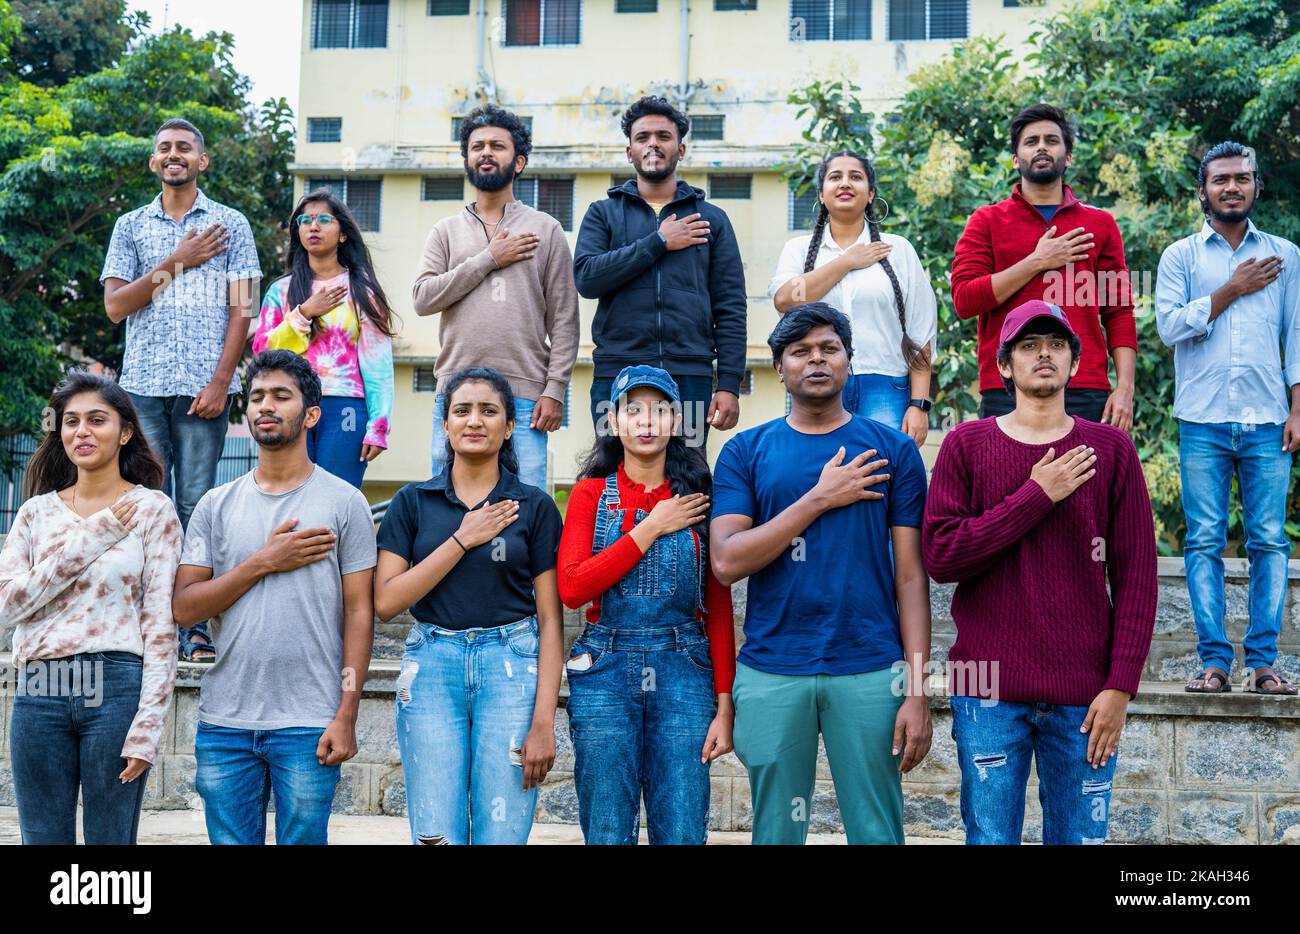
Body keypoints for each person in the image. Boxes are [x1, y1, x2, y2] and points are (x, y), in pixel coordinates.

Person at [922, 299, 1158, 845]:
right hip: (986, 690)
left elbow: (1137, 580)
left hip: (1084, 694)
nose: (1044, 354)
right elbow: (942, 557)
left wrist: (1121, 685)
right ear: (1004, 365)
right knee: (990, 839)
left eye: (1056, 345)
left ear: (1076, 362)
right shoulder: (966, 445)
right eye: (1028, 345)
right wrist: (1037, 495)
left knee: (1079, 841)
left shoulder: (1111, 450)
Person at [708, 302, 932, 845]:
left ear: (849, 362)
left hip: (871, 667)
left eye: (829, 349)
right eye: (799, 351)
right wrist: (818, 499)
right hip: (772, 669)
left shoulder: (894, 452)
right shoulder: (745, 451)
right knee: (777, 832)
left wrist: (918, 689)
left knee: (877, 830)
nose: (816, 360)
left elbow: (910, 577)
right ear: (779, 367)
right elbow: (727, 561)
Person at [172, 351, 377, 845]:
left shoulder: (345, 502)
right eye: (257, 396)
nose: (265, 405)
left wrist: (347, 714)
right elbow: (185, 607)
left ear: (310, 414)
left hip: (310, 720)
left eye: (281, 396)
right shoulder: (215, 505)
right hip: (225, 721)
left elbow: (360, 612)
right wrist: (264, 561)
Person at [374, 367, 563, 845]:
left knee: (502, 833)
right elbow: (387, 601)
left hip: (512, 667)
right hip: (432, 663)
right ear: (445, 424)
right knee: (437, 835)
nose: (474, 420)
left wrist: (544, 720)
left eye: (488, 410)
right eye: (461, 410)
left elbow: (551, 620)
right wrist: (463, 539)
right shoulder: (412, 502)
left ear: (510, 425)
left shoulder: (535, 506)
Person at [101, 117, 262, 663]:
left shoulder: (230, 223)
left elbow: (245, 308)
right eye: (165, 148)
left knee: (195, 503)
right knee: (147, 503)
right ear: (154, 162)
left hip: (203, 389)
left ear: (202, 160)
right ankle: (145, 623)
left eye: (185, 148)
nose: (175, 155)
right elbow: (117, 306)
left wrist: (223, 380)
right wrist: (176, 262)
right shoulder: (130, 226)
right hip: (141, 386)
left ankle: (192, 625)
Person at [557, 365, 736, 845]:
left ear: (676, 422)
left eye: (660, 410)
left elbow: (717, 606)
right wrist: (651, 527)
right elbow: (572, 588)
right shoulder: (590, 494)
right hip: (604, 672)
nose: (646, 420)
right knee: (608, 828)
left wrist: (725, 705)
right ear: (613, 422)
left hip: (684, 670)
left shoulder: (698, 497)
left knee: (681, 827)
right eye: (632, 409)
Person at [0, 373, 182, 844]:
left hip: (116, 684)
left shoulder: (152, 510)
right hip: (40, 688)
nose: (81, 431)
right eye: (71, 421)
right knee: (41, 838)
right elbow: (5, 606)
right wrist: (91, 537)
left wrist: (148, 726)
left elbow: (160, 623)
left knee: (111, 841)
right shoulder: (36, 513)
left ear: (124, 432)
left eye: (97, 420)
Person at [1155, 141, 1300, 695]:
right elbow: (1169, 327)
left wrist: (1296, 408)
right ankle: (1213, 663)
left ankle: (1264, 663)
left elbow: (1296, 338)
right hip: (1202, 421)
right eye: (1221, 180)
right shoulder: (1181, 257)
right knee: (1204, 541)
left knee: (1269, 541)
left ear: (1256, 186)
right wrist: (1231, 290)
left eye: (1242, 178)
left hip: (1268, 418)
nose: (1232, 187)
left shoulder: (1284, 255)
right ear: (1203, 191)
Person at [412, 105, 579, 490]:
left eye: (497, 146)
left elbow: (565, 319)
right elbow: (423, 298)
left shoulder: (545, 229)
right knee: (445, 501)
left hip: (524, 396)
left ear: (518, 162)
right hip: (454, 394)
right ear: (467, 159)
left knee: (527, 504)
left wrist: (554, 390)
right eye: (477, 146)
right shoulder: (446, 231)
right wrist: (488, 259)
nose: (485, 152)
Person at [574, 95, 747, 445]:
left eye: (663, 137)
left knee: (690, 477)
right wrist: (658, 242)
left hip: (691, 373)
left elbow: (730, 307)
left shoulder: (711, 219)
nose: (653, 144)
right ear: (629, 152)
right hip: (616, 370)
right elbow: (587, 278)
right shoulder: (603, 213)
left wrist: (728, 383)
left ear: (680, 150)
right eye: (643, 137)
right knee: (612, 473)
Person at [951, 103, 1137, 429]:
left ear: (1068, 156)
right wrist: (1038, 261)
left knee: (1087, 480)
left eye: (1051, 140)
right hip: (1006, 382)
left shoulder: (1101, 224)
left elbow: (1118, 310)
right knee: (1006, 481)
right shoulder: (986, 221)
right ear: (1015, 158)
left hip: (1084, 385)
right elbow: (966, 299)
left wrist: (1124, 388)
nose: (1041, 147)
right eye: (1031, 141)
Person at [770, 150, 936, 445]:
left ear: (870, 194)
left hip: (886, 385)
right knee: (819, 472)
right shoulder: (798, 249)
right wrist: (847, 261)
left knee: (881, 475)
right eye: (835, 177)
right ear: (821, 195)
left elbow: (921, 332)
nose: (845, 183)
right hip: (817, 380)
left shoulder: (897, 249)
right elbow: (785, 299)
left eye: (855, 177)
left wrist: (919, 404)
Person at [252, 189, 395, 490]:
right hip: (289, 403)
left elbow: (377, 364)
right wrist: (303, 314)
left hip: (345, 409)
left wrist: (378, 426)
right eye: (305, 220)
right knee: (289, 493)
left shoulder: (363, 293)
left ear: (343, 234)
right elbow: (262, 353)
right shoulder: (281, 292)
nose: (313, 226)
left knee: (336, 497)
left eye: (323, 220)